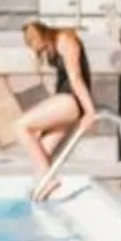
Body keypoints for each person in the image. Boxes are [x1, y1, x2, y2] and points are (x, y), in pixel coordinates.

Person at [17, 17, 95, 177]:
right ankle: (43, 187)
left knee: (20, 126)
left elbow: (76, 78)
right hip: (66, 101)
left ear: (42, 32)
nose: (32, 47)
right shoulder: (52, 47)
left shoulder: (66, 40)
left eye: (32, 41)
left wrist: (90, 112)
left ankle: (49, 180)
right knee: (42, 151)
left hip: (71, 100)